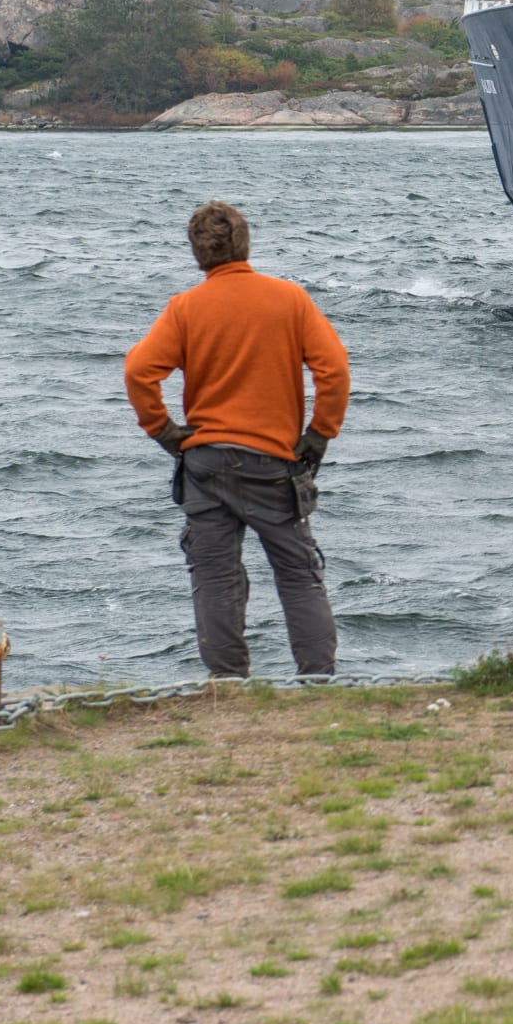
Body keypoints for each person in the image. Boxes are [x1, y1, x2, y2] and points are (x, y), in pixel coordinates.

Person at [124, 201, 351, 679]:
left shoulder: (185, 308)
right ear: (246, 244)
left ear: (197, 253)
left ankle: (227, 684)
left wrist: (163, 430)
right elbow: (334, 370)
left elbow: (139, 371)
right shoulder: (290, 299)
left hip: (205, 462)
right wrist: (319, 434)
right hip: (273, 462)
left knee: (214, 578)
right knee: (297, 574)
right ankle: (318, 680)